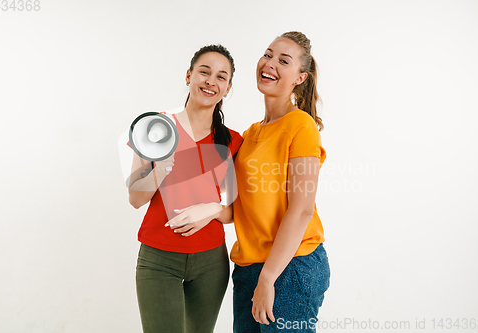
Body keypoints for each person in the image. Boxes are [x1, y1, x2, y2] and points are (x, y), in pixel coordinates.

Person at [127, 44, 243, 333]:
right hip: (158, 258)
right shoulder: (155, 128)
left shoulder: (232, 141)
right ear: (189, 75)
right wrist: (163, 164)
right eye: (204, 72)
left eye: (220, 77)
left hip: (211, 262)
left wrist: (213, 209)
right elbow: (136, 199)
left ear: (228, 88)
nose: (210, 81)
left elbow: (236, 211)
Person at [230, 31, 330, 333]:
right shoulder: (249, 134)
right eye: (268, 54)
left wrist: (268, 277)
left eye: (283, 61)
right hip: (249, 268)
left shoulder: (301, 125)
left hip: (290, 267)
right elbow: (238, 205)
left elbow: (301, 209)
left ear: (300, 78)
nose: (269, 63)